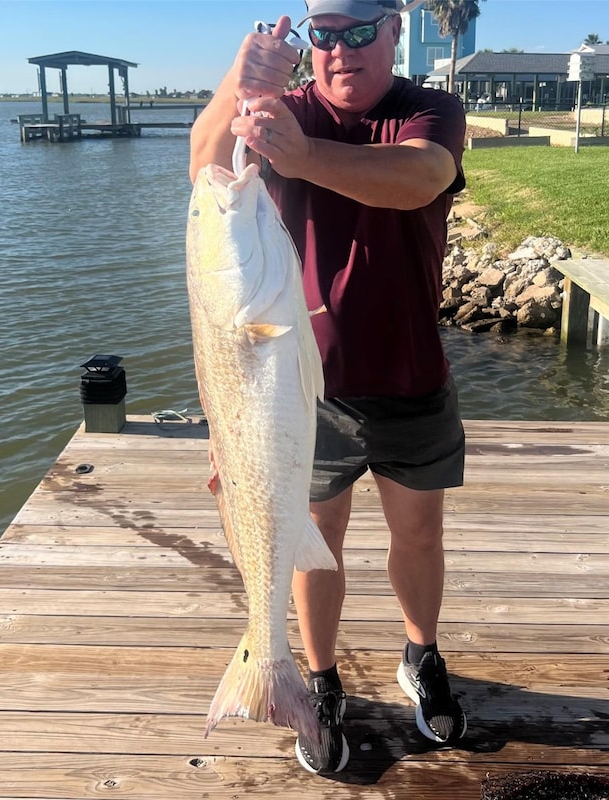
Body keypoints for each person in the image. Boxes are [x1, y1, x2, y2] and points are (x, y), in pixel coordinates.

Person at [189, 0, 468, 776]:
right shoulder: (282, 110)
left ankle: (421, 654)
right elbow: (205, 167)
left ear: (392, 32)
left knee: (419, 533)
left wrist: (303, 156)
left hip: (413, 374)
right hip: (301, 397)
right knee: (315, 548)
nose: (340, 49)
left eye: (358, 31)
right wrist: (238, 81)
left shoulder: (428, 109)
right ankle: (315, 676)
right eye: (325, 33)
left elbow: (422, 177)